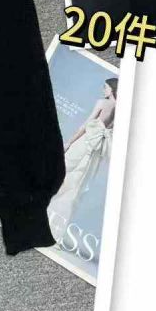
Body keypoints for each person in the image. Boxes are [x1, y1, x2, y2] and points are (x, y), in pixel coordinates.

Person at [48, 78, 118, 244]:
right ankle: (55, 228)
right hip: (96, 152)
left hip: (85, 144)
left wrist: (69, 142)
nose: (103, 90)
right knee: (77, 186)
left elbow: (85, 125)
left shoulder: (102, 103)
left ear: (112, 89)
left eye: (105, 87)